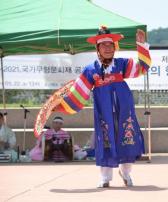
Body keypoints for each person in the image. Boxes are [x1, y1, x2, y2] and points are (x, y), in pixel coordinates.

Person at [55, 26, 151, 187]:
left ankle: (126, 173)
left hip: (124, 109)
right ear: (97, 48)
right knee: (105, 139)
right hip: (104, 111)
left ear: (115, 47)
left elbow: (143, 68)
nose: (108, 48)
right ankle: (105, 178)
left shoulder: (122, 64)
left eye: (110, 45)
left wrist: (141, 46)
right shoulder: (91, 69)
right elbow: (78, 92)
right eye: (103, 45)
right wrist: (60, 105)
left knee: (127, 138)